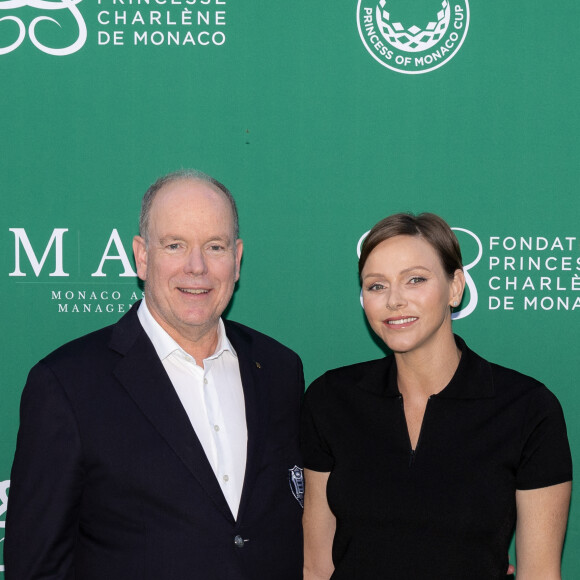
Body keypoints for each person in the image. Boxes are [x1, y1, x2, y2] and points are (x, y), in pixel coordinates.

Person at [5, 170, 305, 579]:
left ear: (236, 260)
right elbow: (36, 567)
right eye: (175, 245)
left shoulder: (279, 369)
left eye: (214, 246)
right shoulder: (67, 385)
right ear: (142, 257)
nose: (196, 267)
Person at [300, 212, 572, 579]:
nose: (394, 300)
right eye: (376, 285)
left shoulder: (527, 409)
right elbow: (316, 566)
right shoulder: (331, 400)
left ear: (456, 287)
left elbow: (539, 572)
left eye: (415, 280)